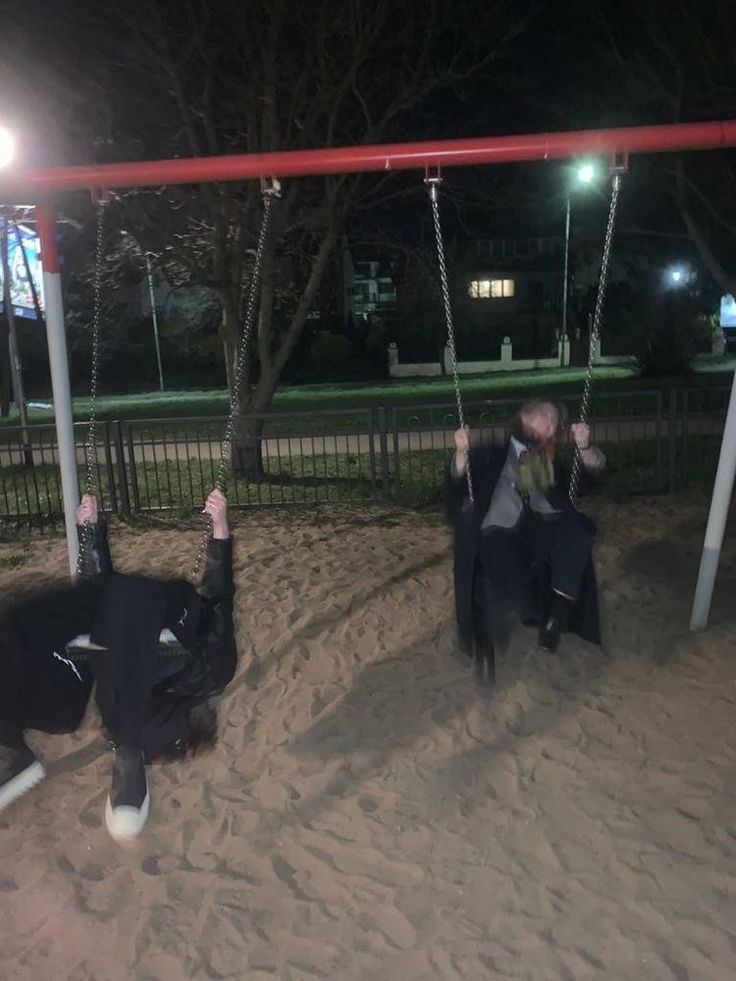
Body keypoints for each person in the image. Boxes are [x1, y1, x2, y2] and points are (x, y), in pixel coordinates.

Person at [0, 489, 237, 841]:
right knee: (31, 631)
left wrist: (91, 532)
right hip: (162, 618)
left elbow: (106, 604)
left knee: (83, 621)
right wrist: (220, 529)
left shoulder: (131, 699)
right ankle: (13, 746)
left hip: (132, 627)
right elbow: (219, 596)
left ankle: (21, 748)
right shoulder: (213, 670)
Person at [445, 399, 605, 657]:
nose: (551, 426)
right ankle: (523, 613)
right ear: (525, 417)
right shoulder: (491, 454)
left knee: (580, 528)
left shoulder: (548, 462)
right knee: (522, 600)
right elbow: (458, 479)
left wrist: (585, 447)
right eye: (545, 417)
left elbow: (590, 478)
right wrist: (461, 452)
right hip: (500, 529)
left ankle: (556, 617)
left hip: (543, 524)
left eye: (555, 423)